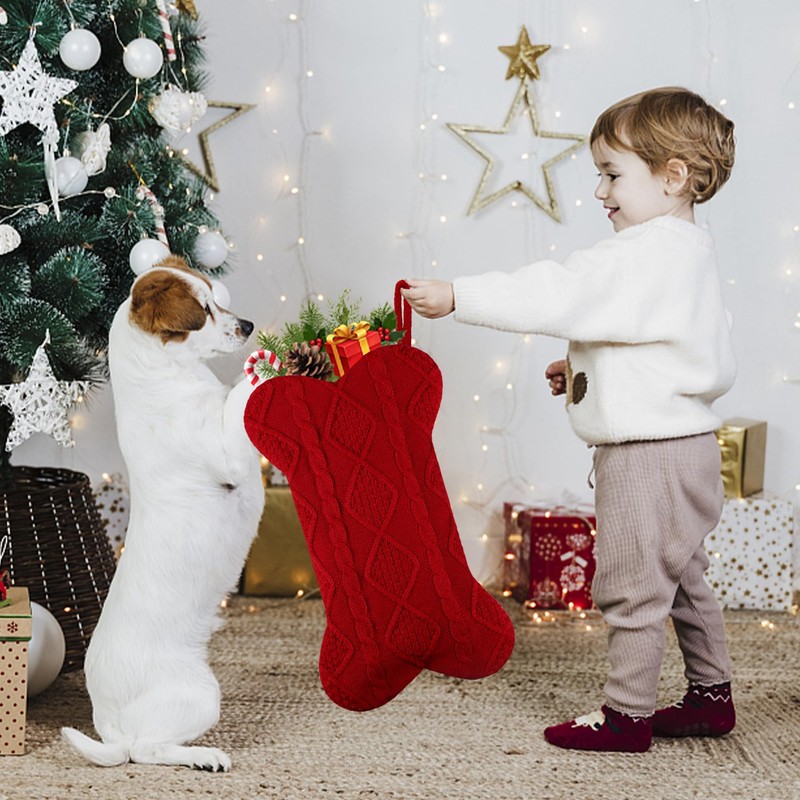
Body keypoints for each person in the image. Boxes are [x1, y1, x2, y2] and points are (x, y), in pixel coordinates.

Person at [401, 87, 737, 753]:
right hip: (689, 447)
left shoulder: (641, 251)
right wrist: (585, 370)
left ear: (672, 176)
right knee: (680, 577)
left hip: (647, 457)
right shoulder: (689, 251)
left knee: (632, 584)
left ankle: (626, 715)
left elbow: (557, 291)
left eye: (613, 174)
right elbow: (674, 346)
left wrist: (459, 295)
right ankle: (710, 696)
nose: (599, 191)